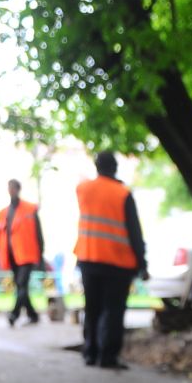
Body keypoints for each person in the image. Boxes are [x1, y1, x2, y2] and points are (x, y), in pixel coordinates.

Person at [73, 151, 147, 368]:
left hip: (88, 258)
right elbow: (135, 232)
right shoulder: (122, 194)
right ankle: (108, 356)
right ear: (115, 168)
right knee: (113, 311)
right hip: (117, 262)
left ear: (97, 167)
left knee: (92, 308)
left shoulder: (83, 189)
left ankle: (90, 353)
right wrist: (142, 263)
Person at [0, 179, 44, 326]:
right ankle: (32, 314)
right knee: (20, 286)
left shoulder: (30, 209)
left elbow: (38, 233)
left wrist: (40, 255)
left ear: (18, 189)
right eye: (9, 188)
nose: (11, 191)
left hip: (27, 255)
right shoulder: (3, 213)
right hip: (11, 256)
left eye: (13, 188)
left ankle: (14, 314)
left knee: (21, 283)